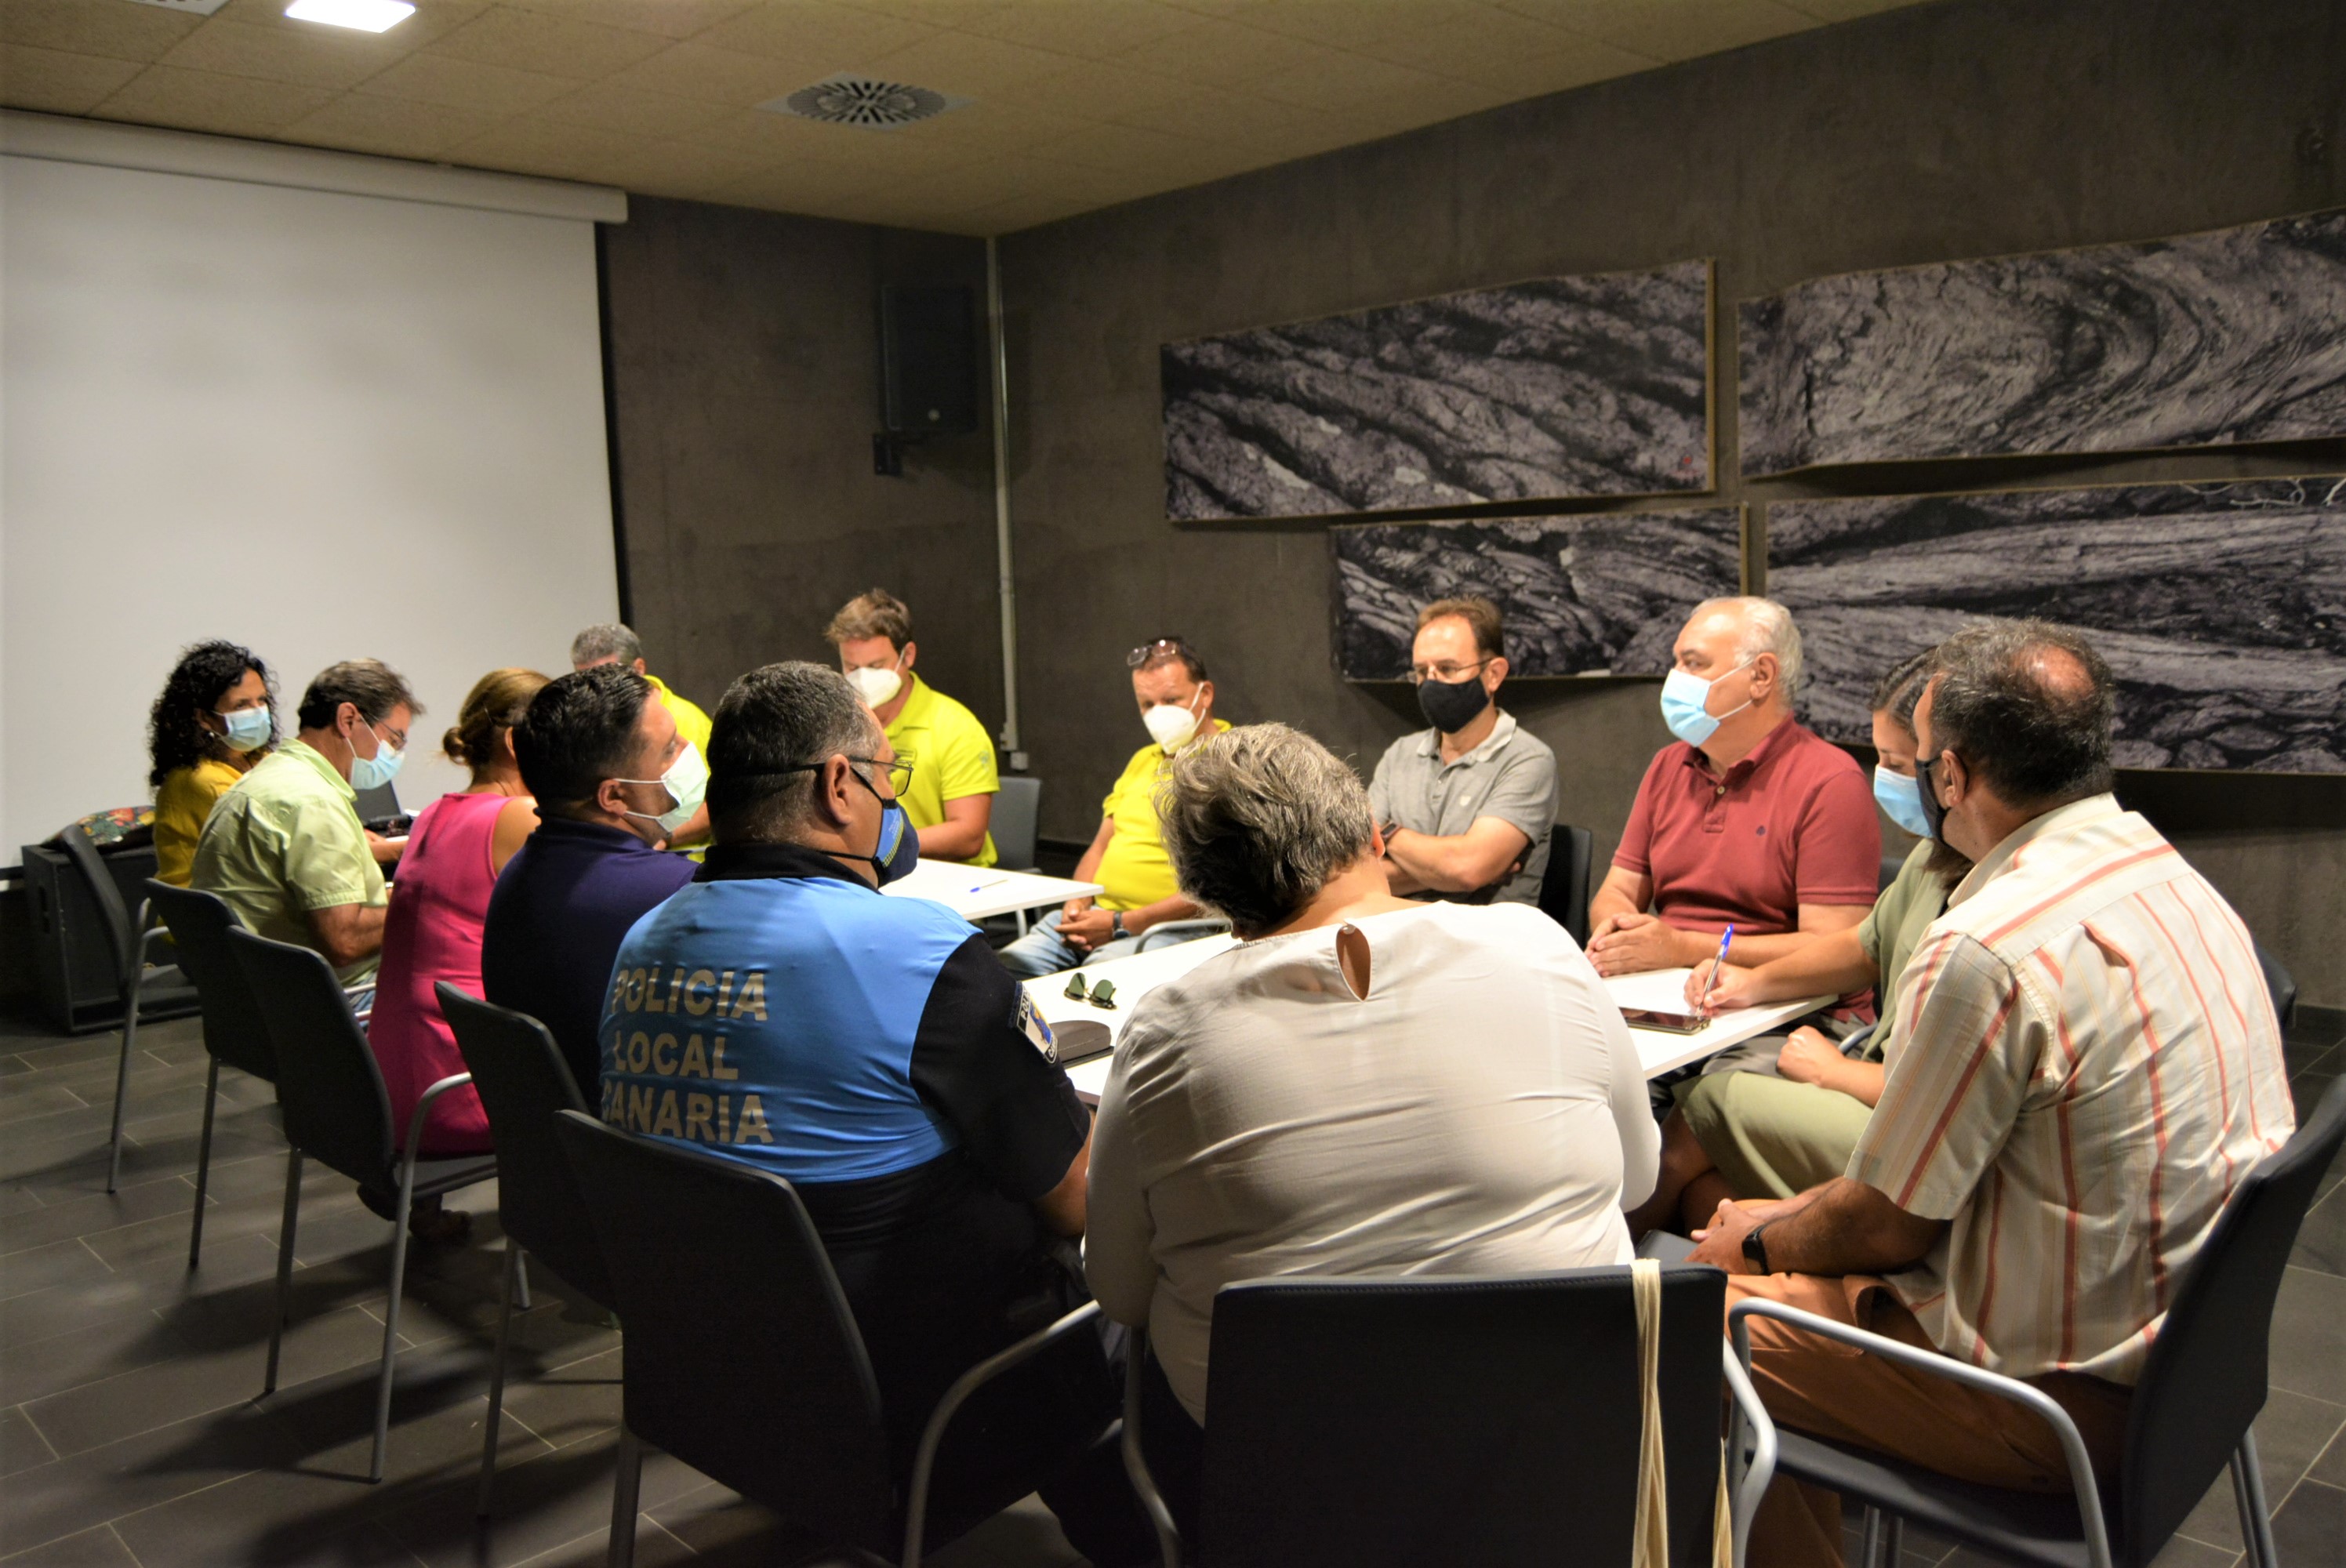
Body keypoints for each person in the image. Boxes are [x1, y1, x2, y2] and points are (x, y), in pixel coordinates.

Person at [1687, 622, 2292, 1568]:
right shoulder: (2171, 876)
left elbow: (1889, 1226)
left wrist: (1758, 1240)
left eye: (1916, 759)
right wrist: (1781, 1222)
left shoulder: (1987, 945)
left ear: (1953, 775)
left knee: (1689, 1334)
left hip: (2052, 1407)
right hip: (2186, 1373)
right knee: (1768, 1242)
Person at [595, 662, 1149, 1565]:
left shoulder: (641, 940)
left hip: (714, 1379)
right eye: (887, 776)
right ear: (837, 783)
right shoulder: (918, 951)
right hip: (930, 1396)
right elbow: (1075, 1196)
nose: (891, 798)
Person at [1087, 723, 1659, 1533]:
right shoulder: (1539, 946)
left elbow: (1118, 1288)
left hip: (1290, 1486)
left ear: (1204, 891)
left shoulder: (1165, 1030)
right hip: (1567, 1463)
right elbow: (1637, 1180)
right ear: (1370, 834)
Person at [1625, 652, 1966, 1234]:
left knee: (1704, 1105)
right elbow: (1864, 947)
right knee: (1705, 1194)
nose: (1884, 777)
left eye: (1896, 763)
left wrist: (1835, 1073)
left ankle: (1600, 1273)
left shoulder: (1992, 900)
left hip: (1905, 1122)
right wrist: (1750, 983)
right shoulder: (1933, 856)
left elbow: (1948, 1091)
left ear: (1951, 771)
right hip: (1872, 1079)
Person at [1587, 597, 1880, 977]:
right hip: (1662, 983)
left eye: (1694, 663)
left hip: (1783, 1001)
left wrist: (1683, 949)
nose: (1675, 678)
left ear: (1761, 676)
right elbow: (1618, 891)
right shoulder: (1668, 765)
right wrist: (1618, 931)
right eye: (1676, 663)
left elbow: (1836, 950)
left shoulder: (1830, 782)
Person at [364, 669, 548, 1240]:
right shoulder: (520, 817)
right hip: (456, 1091)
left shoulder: (435, 813)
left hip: (384, 1087)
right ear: (517, 743)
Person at [481, 664, 703, 1095]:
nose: (686, 753)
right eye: (668, 750)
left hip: (560, 1129)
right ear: (614, 795)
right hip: (634, 1130)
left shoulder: (519, 871)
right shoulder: (676, 896)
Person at [994, 637, 1229, 978]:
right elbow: (1100, 847)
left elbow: (1222, 884)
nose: (1158, 713)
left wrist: (1121, 923)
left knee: (1096, 980)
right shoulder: (1142, 760)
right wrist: (1078, 902)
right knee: (1003, 971)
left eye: (1171, 700)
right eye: (1147, 704)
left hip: (1170, 930)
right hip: (1098, 916)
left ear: (1204, 694)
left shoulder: (1233, 763)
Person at [192, 659, 419, 985]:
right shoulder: (313, 802)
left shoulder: (268, 778)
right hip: (338, 997)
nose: (394, 753)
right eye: (394, 740)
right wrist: (426, 903)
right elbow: (345, 941)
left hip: (255, 994)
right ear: (348, 720)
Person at [1368, 596, 1557, 906]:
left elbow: (1468, 868)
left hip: (1484, 934)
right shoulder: (1399, 754)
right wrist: (1449, 871)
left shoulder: (1528, 760)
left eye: (1447, 668)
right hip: (1401, 929)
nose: (1431, 682)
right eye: (1422, 671)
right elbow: (1360, 874)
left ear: (1493, 674)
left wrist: (1387, 832)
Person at [824, 588, 1000, 865]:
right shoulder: (839, 726)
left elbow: (968, 836)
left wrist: (879, 845)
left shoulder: (956, 727)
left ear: (907, 656)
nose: (863, 678)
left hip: (949, 879)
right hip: (870, 873)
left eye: (876, 666)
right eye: (852, 668)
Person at [147, 641, 277, 888]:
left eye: (261, 700)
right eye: (241, 705)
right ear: (204, 718)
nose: (258, 711)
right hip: (208, 909)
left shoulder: (255, 756)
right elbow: (275, 845)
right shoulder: (201, 780)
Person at [570, 622, 711, 846]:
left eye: (609, 677)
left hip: (682, 861)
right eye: (585, 680)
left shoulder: (688, 720)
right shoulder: (582, 726)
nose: (598, 689)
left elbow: (719, 803)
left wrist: (663, 839)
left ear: (639, 668)